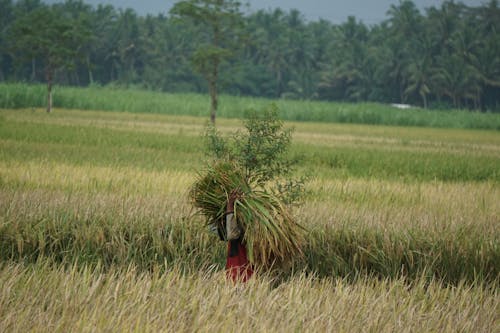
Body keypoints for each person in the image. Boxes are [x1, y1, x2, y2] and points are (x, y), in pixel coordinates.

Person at [224, 189, 253, 283]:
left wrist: (229, 206)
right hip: (239, 263)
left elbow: (232, 234)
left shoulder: (247, 221)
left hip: (239, 264)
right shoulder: (249, 219)